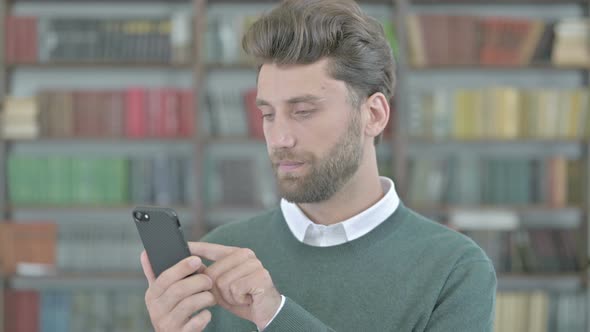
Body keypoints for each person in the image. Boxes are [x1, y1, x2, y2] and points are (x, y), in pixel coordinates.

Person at [140, 0, 497, 331]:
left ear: (373, 115)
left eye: (304, 111)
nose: (279, 138)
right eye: (267, 114)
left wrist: (276, 315)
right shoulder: (219, 256)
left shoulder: (455, 270)